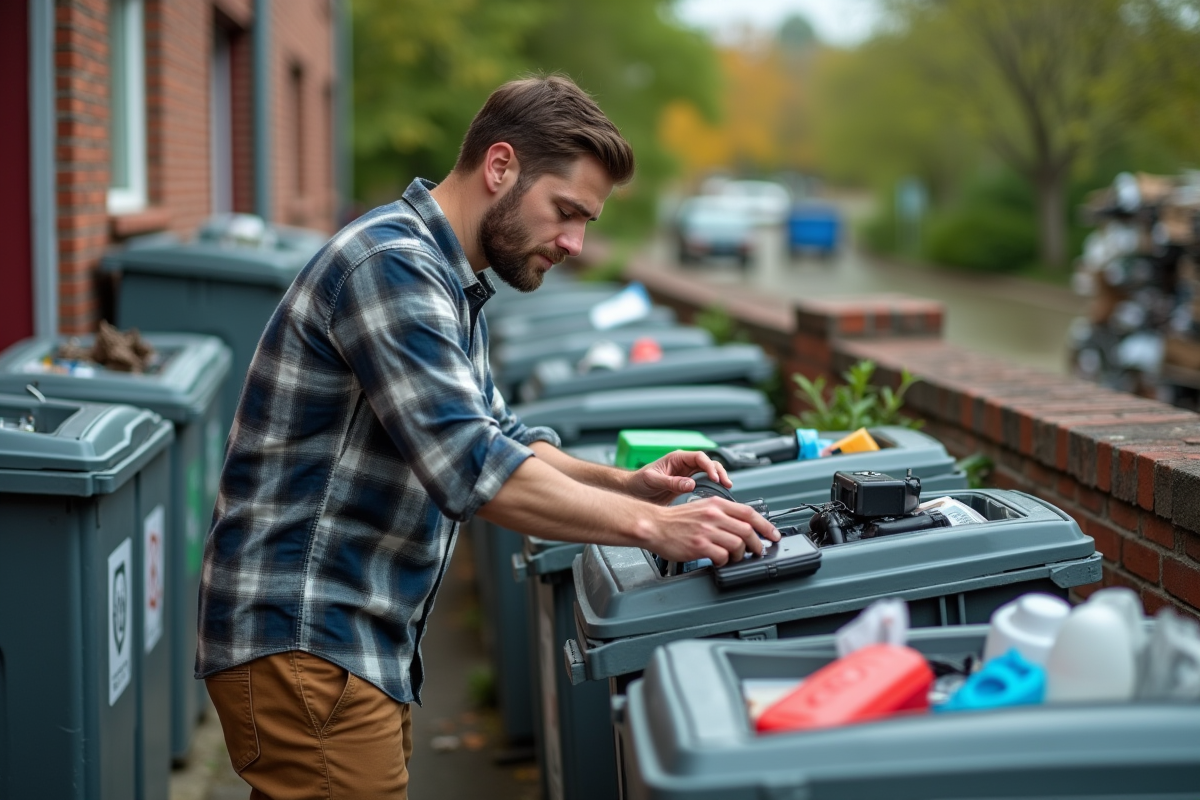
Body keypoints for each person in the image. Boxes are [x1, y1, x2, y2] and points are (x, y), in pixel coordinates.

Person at [196, 74, 778, 800]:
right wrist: (657, 527)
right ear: (500, 167)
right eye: (566, 211)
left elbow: (500, 436)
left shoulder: (443, 277)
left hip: (346, 643)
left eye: (587, 221)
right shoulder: (392, 267)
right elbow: (471, 469)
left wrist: (623, 483)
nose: (574, 241)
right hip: (308, 633)